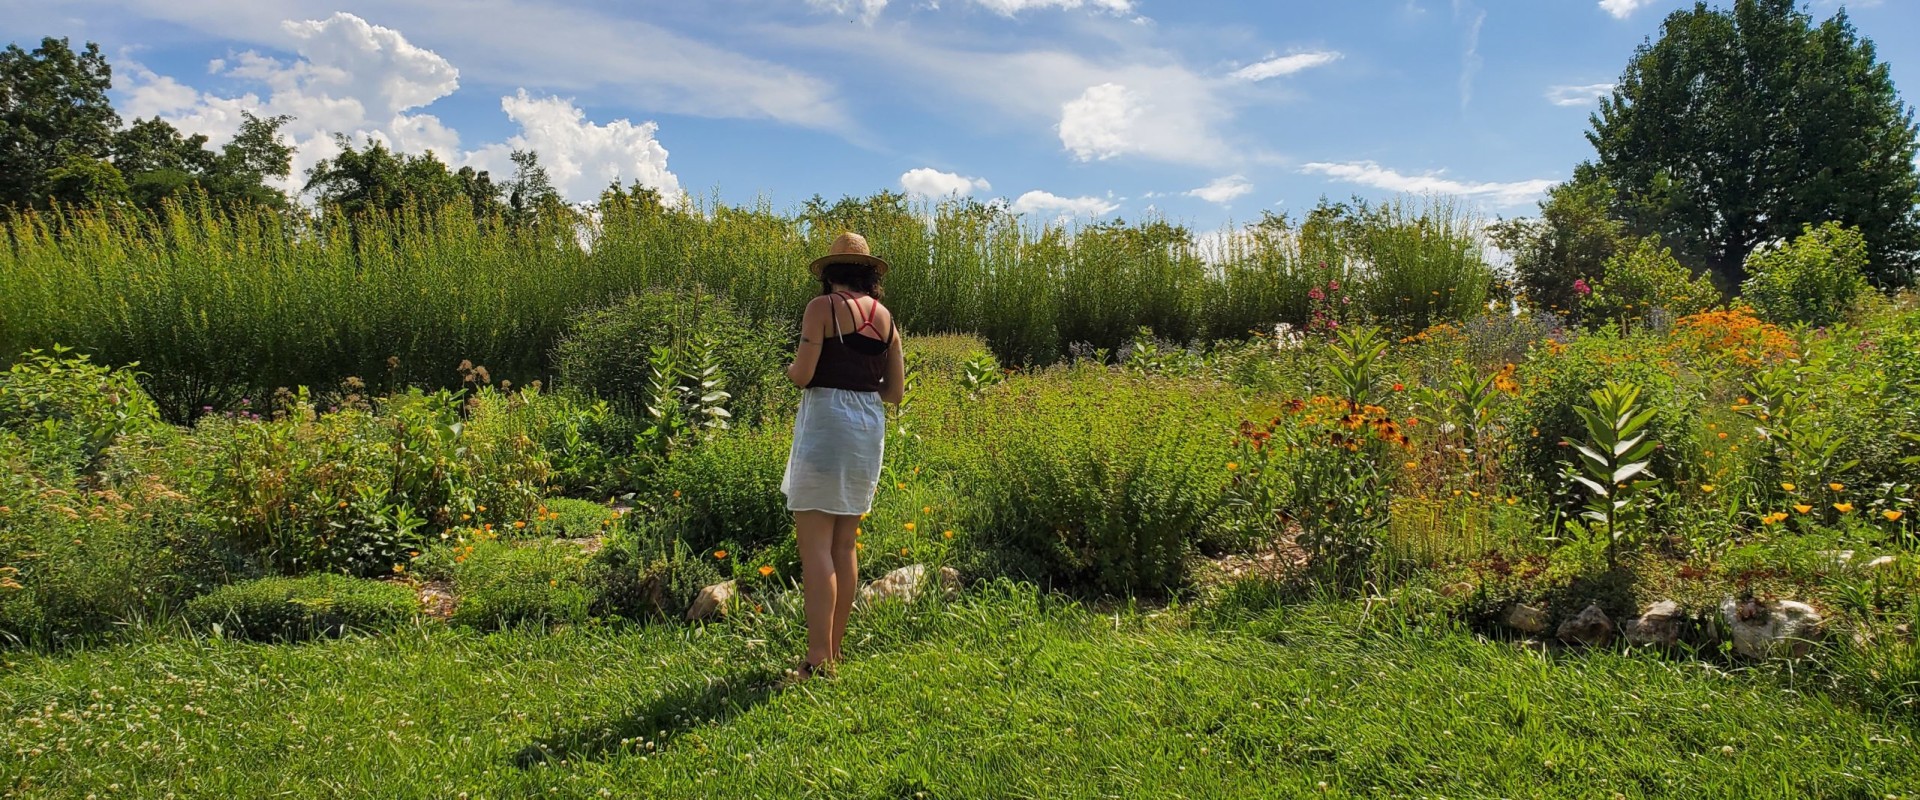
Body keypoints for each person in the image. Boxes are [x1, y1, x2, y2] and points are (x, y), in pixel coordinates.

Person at [780, 231, 906, 681]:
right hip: (867, 427)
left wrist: (791, 367)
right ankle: (833, 653)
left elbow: (802, 375)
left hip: (826, 422)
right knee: (845, 543)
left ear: (829, 272)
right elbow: (894, 392)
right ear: (870, 274)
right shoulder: (886, 318)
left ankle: (816, 661)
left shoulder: (822, 309)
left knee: (815, 545)